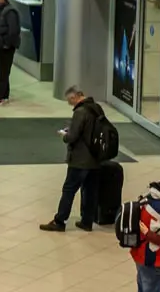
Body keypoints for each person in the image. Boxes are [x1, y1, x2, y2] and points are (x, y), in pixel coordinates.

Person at [40, 86, 107, 232]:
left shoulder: (80, 112)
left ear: (75, 96)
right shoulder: (97, 108)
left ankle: (60, 220)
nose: (70, 104)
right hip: (95, 159)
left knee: (69, 189)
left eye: (70, 100)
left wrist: (65, 135)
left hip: (80, 159)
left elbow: (73, 136)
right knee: (90, 190)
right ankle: (87, 221)